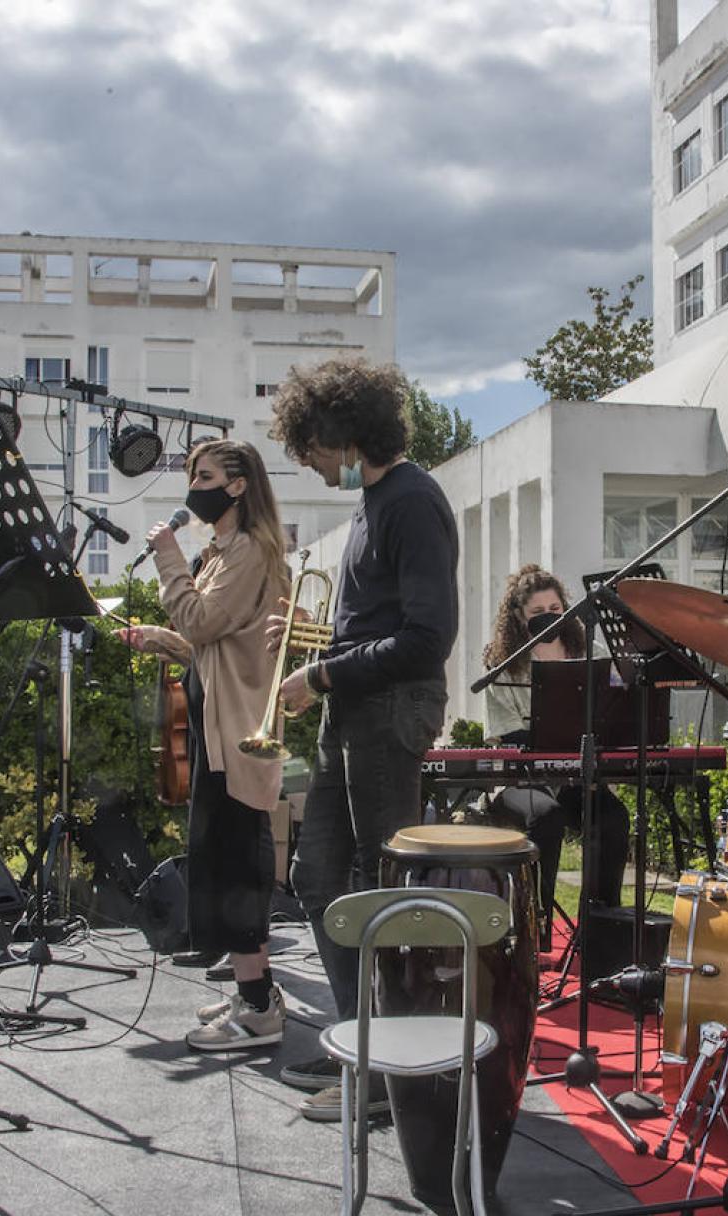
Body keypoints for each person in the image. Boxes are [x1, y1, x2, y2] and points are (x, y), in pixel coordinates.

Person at [264, 355, 458, 1121]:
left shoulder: (412, 500)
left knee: (381, 895)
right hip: (355, 708)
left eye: (313, 448)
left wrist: (320, 674)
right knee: (318, 879)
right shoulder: (376, 502)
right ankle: (357, 1043)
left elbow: (427, 638)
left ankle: (384, 1073)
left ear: (345, 435)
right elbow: (376, 624)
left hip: (389, 711)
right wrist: (317, 649)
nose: (312, 464)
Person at [115, 439, 288, 1052]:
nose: (195, 488)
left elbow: (202, 621)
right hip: (218, 729)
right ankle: (252, 990)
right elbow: (209, 645)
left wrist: (168, 556)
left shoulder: (248, 551)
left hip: (236, 736)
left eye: (206, 476)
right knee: (223, 862)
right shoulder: (223, 553)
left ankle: (259, 1009)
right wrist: (162, 639)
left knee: (237, 866)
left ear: (238, 486)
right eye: (192, 475)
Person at [481, 564, 631, 928]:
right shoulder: (505, 665)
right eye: (537, 612)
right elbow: (508, 735)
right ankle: (536, 926)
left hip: (576, 778)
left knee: (612, 818)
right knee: (546, 818)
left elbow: (616, 711)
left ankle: (600, 925)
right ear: (519, 617)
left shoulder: (592, 652)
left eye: (555, 609)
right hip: (522, 780)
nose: (549, 617)